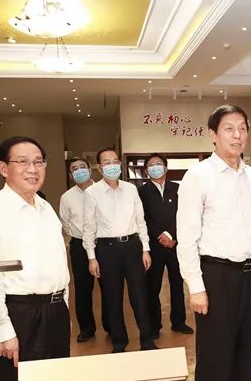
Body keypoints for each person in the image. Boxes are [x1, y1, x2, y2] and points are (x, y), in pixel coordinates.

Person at [0, 136, 70, 381]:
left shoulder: (46, 208)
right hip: (20, 314)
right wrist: (2, 331)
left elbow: (59, 263)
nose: (32, 169)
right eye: (22, 162)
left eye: (38, 162)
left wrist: (64, 307)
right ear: (4, 168)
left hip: (55, 311)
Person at [177, 104, 251, 381]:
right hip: (217, 276)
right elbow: (187, 236)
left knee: (245, 352)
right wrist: (196, 287)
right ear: (213, 135)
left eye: (242, 128)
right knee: (215, 354)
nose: (237, 135)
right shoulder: (198, 175)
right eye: (229, 129)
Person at [82, 148, 156, 353]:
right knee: (112, 298)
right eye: (107, 162)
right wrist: (91, 257)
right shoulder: (92, 193)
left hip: (133, 247)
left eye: (115, 161)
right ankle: (119, 343)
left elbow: (141, 221)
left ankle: (147, 341)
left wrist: (146, 249)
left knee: (140, 296)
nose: (112, 166)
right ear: (99, 168)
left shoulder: (131, 189)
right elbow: (89, 228)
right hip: (107, 249)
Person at [138, 153, 193, 339]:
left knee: (178, 284)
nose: (155, 167)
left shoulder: (177, 188)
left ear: (166, 168)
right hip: (153, 246)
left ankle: (179, 322)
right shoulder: (141, 192)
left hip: (175, 244)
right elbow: (142, 218)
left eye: (158, 164)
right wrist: (159, 235)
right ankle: (154, 325)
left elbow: (183, 214)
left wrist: (171, 234)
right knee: (152, 287)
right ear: (146, 171)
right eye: (151, 165)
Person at [59, 157, 109, 342]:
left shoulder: (102, 190)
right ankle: (86, 328)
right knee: (82, 289)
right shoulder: (66, 197)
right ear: (70, 175)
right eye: (75, 169)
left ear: (90, 169)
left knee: (108, 286)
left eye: (82, 167)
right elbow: (65, 223)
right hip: (79, 245)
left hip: (103, 244)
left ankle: (110, 325)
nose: (79, 171)